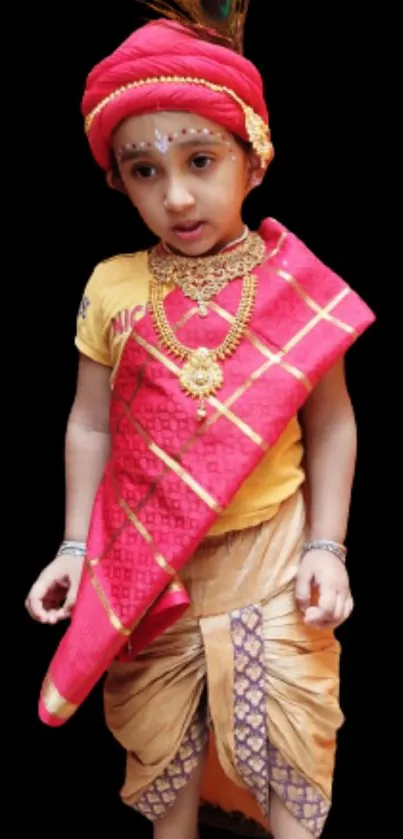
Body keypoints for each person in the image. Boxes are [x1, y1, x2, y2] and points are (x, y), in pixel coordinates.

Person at [25, 4, 375, 838]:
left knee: (294, 760)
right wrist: (75, 545)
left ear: (253, 158)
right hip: (148, 566)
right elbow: (90, 426)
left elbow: (331, 424)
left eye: (201, 159)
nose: (176, 194)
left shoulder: (297, 285)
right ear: (116, 178)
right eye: (143, 171)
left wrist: (327, 547)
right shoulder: (112, 284)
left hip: (274, 556)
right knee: (162, 764)